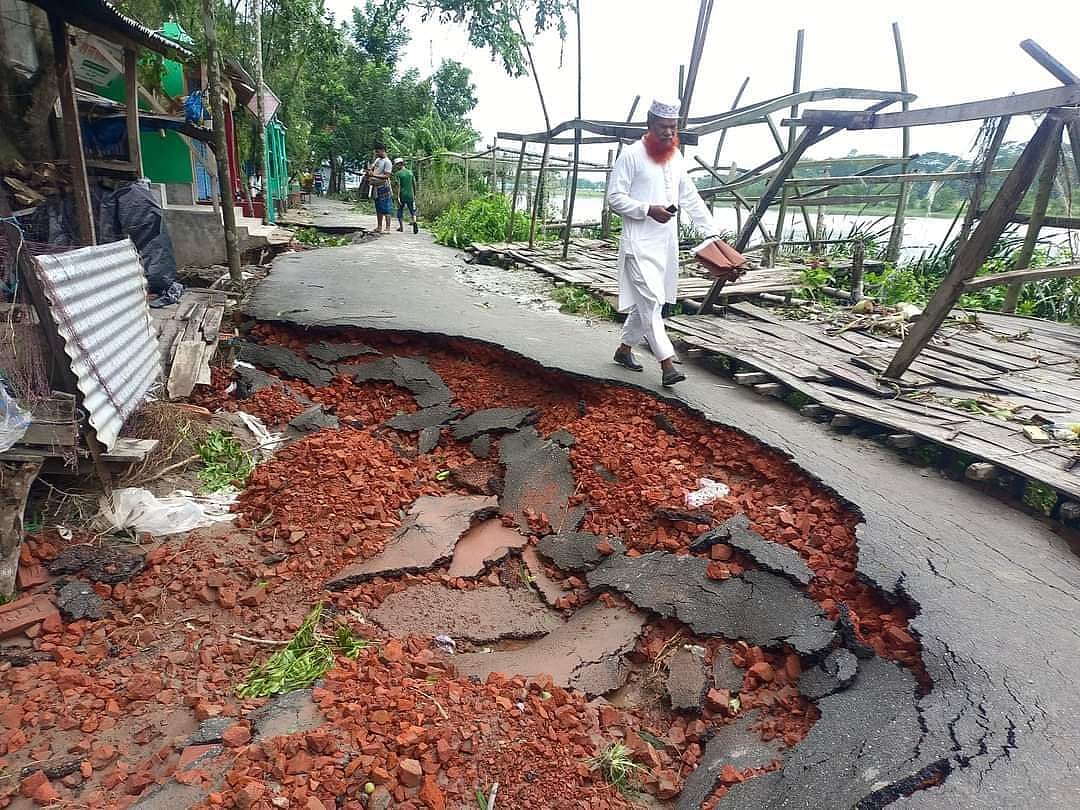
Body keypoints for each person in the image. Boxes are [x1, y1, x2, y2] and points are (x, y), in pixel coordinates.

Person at [607, 99, 723, 387]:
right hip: (638, 244)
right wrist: (648, 210)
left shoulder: (676, 157)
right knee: (651, 300)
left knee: (650, 301)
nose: (669, 133)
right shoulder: (631, 156)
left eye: (673, 127)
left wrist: (712, 232)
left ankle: (624, 350)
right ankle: (667, 364)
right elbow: (615, 198)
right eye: (663, 127)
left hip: (665, 244)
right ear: (650, 124)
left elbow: (690, 196)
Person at [367, 144, 394, 233]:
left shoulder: (387, 162)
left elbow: (387, 176)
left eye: (378, 152)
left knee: (386, 208)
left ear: (383, 150)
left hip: (383, 187)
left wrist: (374, 175)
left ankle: (388, 227)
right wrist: (370, 170)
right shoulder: (378, 160)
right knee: (378, 207)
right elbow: (372, 167)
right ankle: (379, 226)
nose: (377, 154)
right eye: (376, 152)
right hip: (376, 187)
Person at [392, 158, 418, 234]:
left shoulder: (398, 174)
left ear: (400, 164)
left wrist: (397, 197)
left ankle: (401, 227)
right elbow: (414, 184)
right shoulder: (410, 172)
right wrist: (414, 194)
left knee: (400, 210)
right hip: (410, 194)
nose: (396, 166)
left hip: (402, 195)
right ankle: (414, 221)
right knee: (412, 210)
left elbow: (398, 186)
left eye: (396, 165)